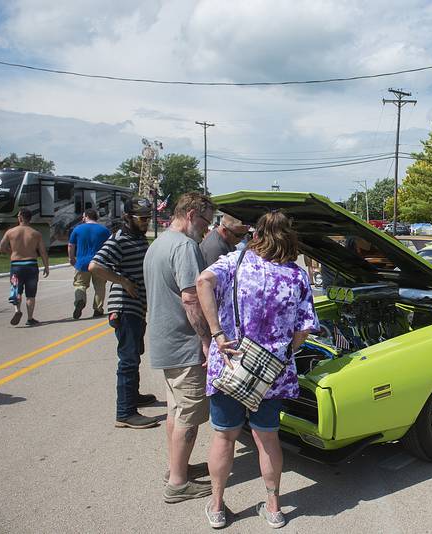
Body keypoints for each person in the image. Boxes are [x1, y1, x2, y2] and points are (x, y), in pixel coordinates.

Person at [196, 210, 318, 529]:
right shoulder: (296, 275)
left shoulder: (235, 264)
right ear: (288, 236)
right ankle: (274, 507)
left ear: (256, 234)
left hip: (230, 363)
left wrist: (217, 333)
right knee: (268, 439)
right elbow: (305, 327)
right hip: (272, 373)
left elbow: (201, 282)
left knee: (224, 437)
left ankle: (218, 505)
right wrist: (283, 352)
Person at [144, 192, 216, 504]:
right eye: (204, 221)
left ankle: (177, 467)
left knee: (176, 408)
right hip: (184, 344)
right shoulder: (186, 246)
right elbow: (191, 297)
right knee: (189, 413)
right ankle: (177, 483)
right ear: (190, 214)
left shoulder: (158, 243)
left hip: (164, 341)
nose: (206, 229)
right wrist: (207, 339)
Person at [89, 198, 158, 429]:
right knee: (128, 359)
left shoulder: (136, 238)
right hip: (124, 307)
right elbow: (95, 266)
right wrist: (123, 282)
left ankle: (133, 397)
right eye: (142, 218)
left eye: (148, 217)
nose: (146, 222)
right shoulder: (119, 239)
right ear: (127, 217)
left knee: (134, 355)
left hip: (136, 307)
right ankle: (125, 412)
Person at [0, 208, 50, 326]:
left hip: (16, 266)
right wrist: (46, 266)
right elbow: (42, 252)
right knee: (31, 294)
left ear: (20, 217)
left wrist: (11, 252)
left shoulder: (10, 232)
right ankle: (30, 318)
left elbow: (1, 247)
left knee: (16, 290)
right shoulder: (36, 233)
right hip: (31, 266)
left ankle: (17, 310)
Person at [69, 208, 111, 319]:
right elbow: (110, 246)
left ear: (87, 216)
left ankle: (80, 300)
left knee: (80, 285)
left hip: (82, 262)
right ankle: (98, 309)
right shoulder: (104, 230)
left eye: (83, 217)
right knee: (100, 287)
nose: (82, 219)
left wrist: (71, 258)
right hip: (100, 262)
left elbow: (71, 245)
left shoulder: (77, 229)